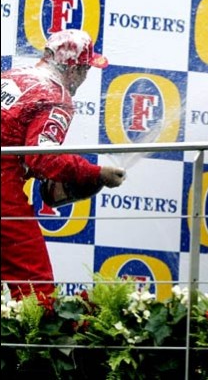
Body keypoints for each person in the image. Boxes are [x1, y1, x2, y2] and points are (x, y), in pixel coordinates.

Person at [1, 29, 126, 299]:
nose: (85, 77)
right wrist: (96, 173)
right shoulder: (55, 95)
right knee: (34, 287)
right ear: (75, 69)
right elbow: (43, 156)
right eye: (86, 69)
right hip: (2, 188)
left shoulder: (12, 76)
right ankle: (32, 339)